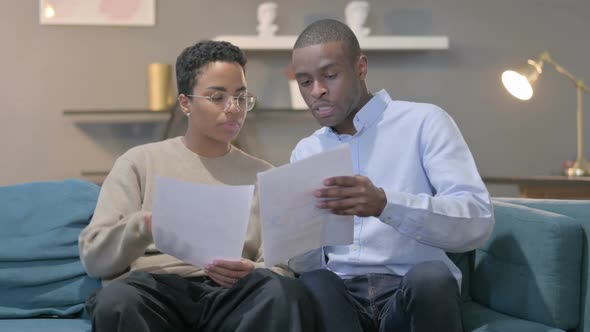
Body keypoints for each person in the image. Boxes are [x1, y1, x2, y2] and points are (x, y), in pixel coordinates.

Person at [79, 40, 318, 332]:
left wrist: (251, 270)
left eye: (241, 97)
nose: (234, 109)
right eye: (217, 97)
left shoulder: (264, 175)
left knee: (284, 293)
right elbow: (95, 260)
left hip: (233, 294)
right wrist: (143, 226)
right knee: (117, 300)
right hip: (157, 290)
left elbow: (281, 267)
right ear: (185, 103)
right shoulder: (139, 162)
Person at [287, 19, 494, 332]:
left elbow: (477, 222)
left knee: (431, 276)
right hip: (340, 299)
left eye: (330, 75)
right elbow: (305, 265)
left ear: (360, 67)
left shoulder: (425, 122)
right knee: (315, 281)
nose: (317, 91)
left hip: (412, 290)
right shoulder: (306, 151)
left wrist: (385, 204)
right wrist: (297, 234)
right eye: (305, 82)